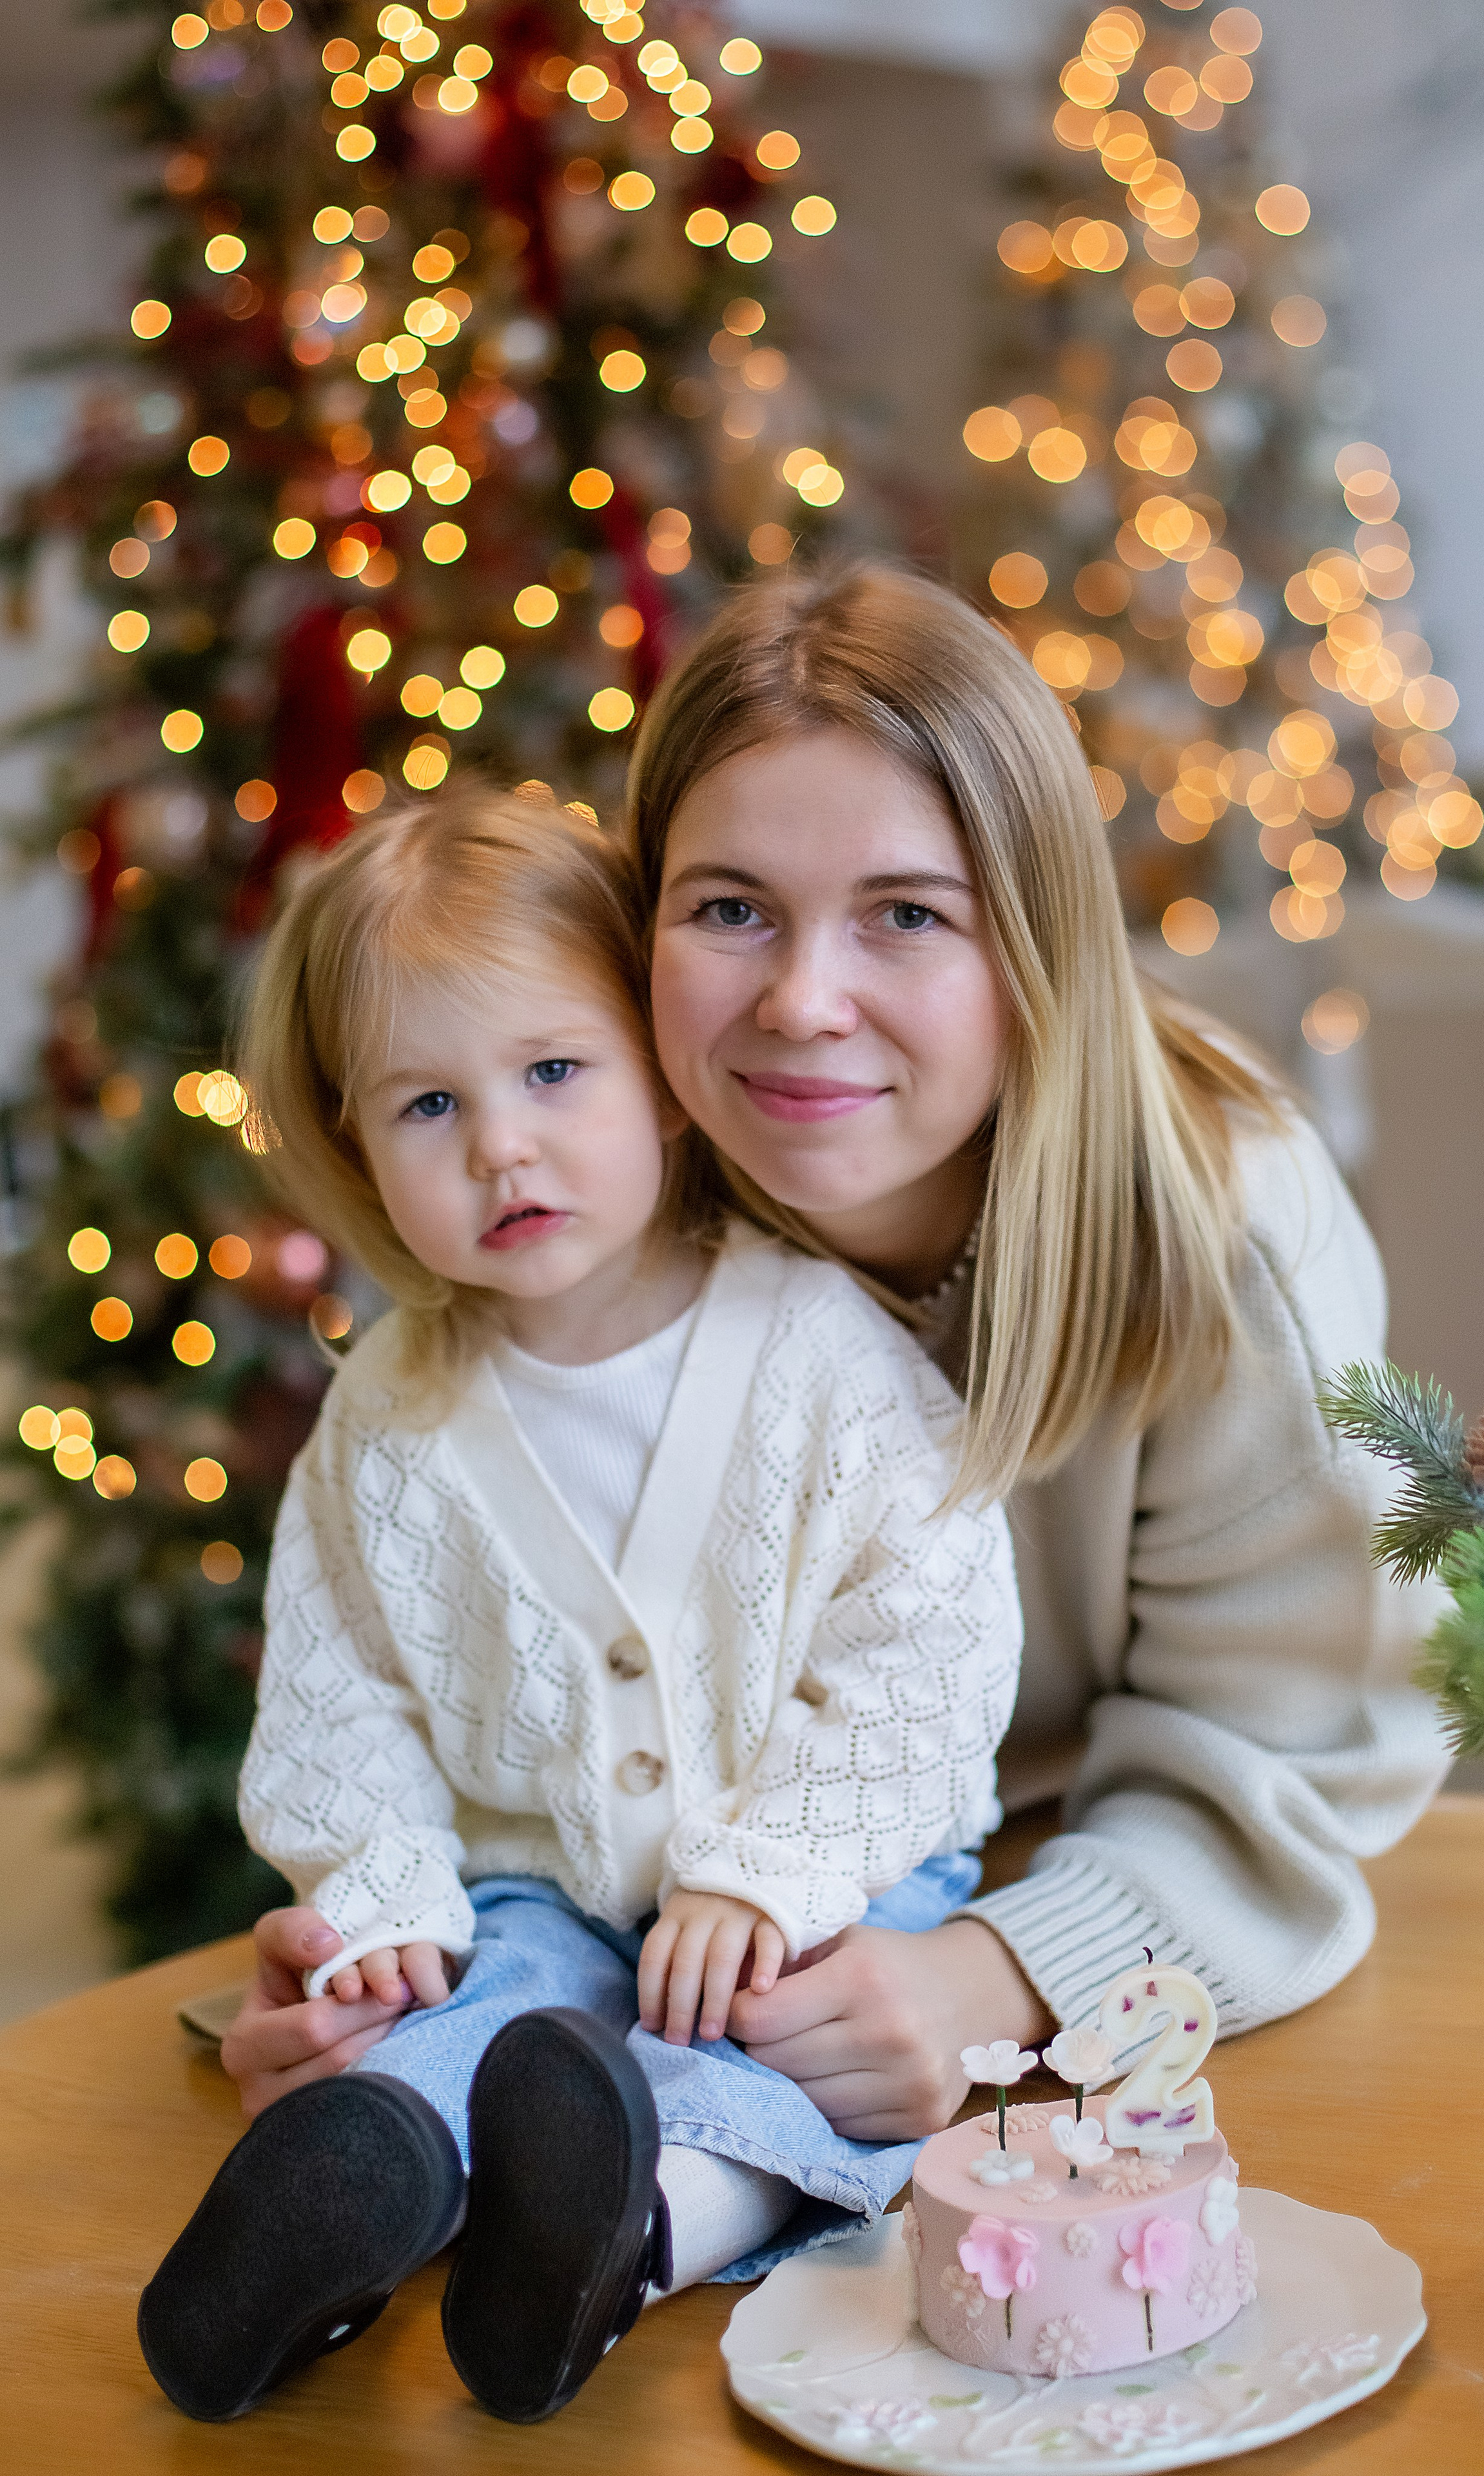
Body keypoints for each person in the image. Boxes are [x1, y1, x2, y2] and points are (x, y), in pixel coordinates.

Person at [224, 567, 1445, 2154]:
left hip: (1106, 2016)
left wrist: (997, 1975)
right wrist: (385, 1961)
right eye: (729, 908)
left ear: (1031, 939)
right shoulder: (588, 1199)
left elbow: (1292, 1771)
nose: (801, 1004)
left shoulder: (1218, 1240)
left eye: (907, 914)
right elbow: (488, 1673)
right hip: (670, 1983)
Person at [137, 782, 1022, 2424]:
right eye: (424, 1107)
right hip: (543, 1889)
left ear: (667, 1083)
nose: (500, 1147)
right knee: (491, 2014)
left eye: (553, 1072)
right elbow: (340, 1695)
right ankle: (354, 2200)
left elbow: (932, 1643)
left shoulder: (820, 1359)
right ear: (353, 1145)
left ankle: (627, 2237)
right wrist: (385, 1899)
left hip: (829, 1885)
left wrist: (770, 1875)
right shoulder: (390, 1417)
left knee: (789, 2071)